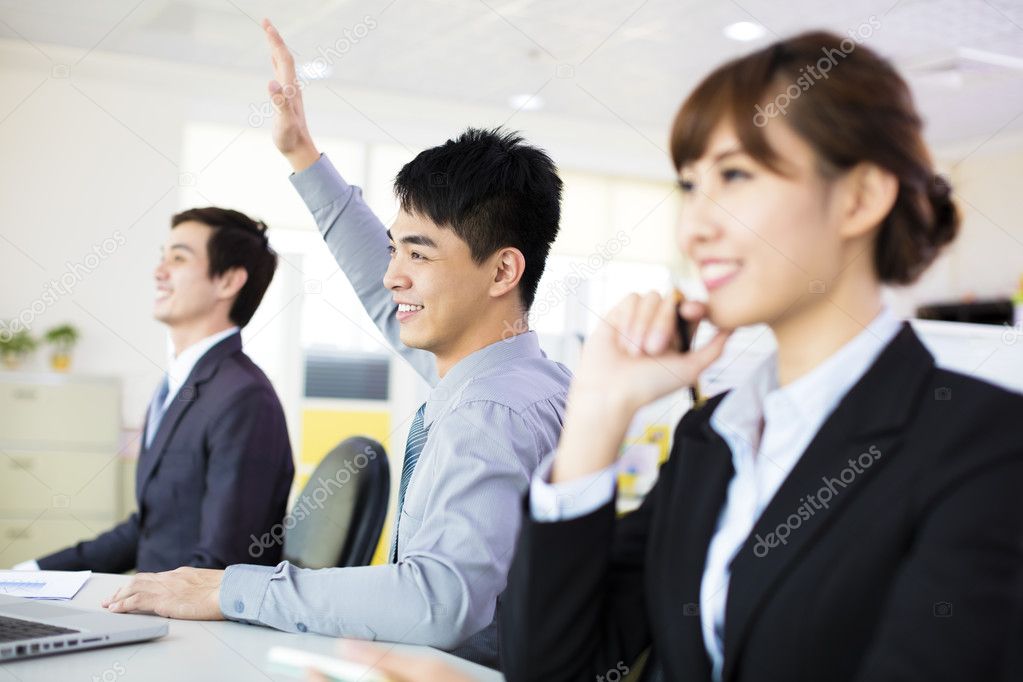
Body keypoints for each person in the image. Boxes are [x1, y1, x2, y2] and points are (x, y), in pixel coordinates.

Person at [499, 31, 1023, 681]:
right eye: (691, 185)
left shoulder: (990, 447)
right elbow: (556, 669)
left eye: (736, 175)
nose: (693, 227)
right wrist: (596, 417)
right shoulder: (709, 437)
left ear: (858, 198)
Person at [101, 18, 571, 669]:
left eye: (419, 253)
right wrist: (301, 154)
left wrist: (233, 588)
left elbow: (439, 601)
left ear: (501, 271)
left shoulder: (488, 413)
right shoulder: (512, 376)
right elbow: (384, 293)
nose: (393, 272)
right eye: (396, 247)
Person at [20, 208, 294, 573]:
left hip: (186, 623)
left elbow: (223, 566)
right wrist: (30, 573)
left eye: (178, 258)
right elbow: (149, 528)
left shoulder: (244, 398)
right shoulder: (177, 386)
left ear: (228, 281)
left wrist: (129, 607)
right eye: (161, 257)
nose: (158, 272)